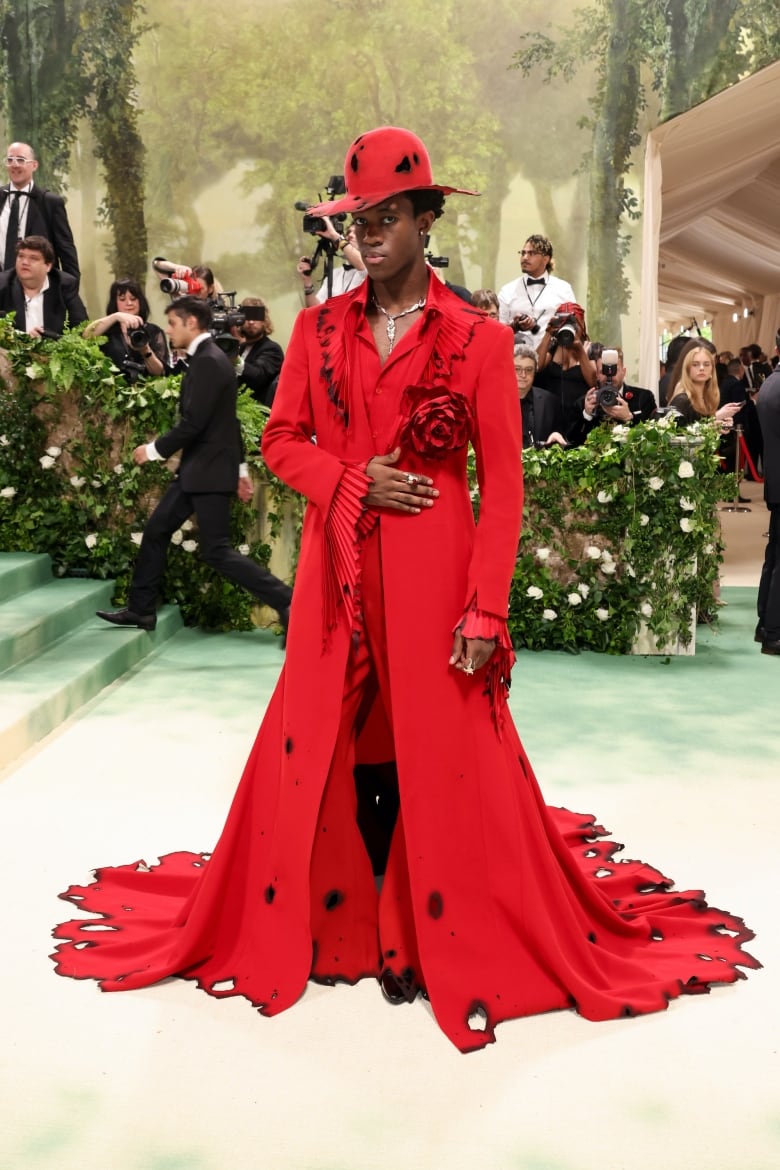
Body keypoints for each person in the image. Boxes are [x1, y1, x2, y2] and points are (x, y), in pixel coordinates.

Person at [53, 127, 757, 1054]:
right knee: (326, 736)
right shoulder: (315, 329)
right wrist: (352, 481)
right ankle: (342, 921)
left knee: (441, 746)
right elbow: (281, 443)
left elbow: (501, 485)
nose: (370, 236)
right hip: (336, 575)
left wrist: (487, 605)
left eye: (388, 218)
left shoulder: (476, 337)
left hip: (435, 576)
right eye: (357, 222)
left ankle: (427, 932)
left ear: (426, 220)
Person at [94, 296, 292, 633]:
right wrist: (241, 470)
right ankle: (141, 609)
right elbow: (226, 422)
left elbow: (194, 424)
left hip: (208, 474)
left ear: (191, 324)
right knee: (157, 532)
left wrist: (153, 450)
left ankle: (287, 601)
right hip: (199, 472)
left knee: (216, 551)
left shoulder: (209, 362)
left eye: (172, 323)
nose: (168, 330)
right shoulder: (207, 359)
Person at [0, 142, 80, 283]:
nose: (15, 164)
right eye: (10, 160)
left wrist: (68, 296)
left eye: (20, 160)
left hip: (40, 291)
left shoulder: (50, 203)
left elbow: (67, 254)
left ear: (34, 165)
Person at [566, 344, 657, 447]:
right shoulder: (584, 403)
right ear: (597, 374)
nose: (609, 375)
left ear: (623, 372)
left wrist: (629, 418)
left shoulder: (643, 398)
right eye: (603, 371)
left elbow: (653, 440)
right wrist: (586, 415)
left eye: (614, 370)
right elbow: (571, 442)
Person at [497, 234, 576, 348]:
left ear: (546, 259)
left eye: (531, 253)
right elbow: (499, 329)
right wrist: (515, 325)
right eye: (523, 253)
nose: (525, 257)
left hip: (552, 359)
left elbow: (573, 326)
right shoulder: (507, 290)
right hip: (515, 359)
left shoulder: (564, 289)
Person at [0, 235, 87, 336]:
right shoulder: (3, 284)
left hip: (52, 350)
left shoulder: (64, 285)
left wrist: (46, 338)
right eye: (21, 256)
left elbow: (81, 328)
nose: (24, 262)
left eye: (33, 258)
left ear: (48, 266)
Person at [84, 277, 168, 381]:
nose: (129, 303)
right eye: (122, 299)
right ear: (115, 302)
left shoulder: (154, 331)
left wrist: (145, 350)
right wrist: (116, 316)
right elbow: (86, 336)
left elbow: (159, 373)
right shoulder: (107, 331)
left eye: (133, 299)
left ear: (140, 301)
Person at [534, 300, 598, 434]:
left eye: (573, 323)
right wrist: (548, 333)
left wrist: (579, 350)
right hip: (551, 416)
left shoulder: (591, 350)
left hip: (581, 416)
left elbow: (593, 381)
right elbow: (536, 367)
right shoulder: (553, 347)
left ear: (582, 325)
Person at [755, 337, 780, 655]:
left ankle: (765, 625)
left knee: (774, 556)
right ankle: (774, 632)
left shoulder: (771, 382)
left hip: (776, 481)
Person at [666, 344, 743, 428]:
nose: (702, 368)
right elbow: (673, 435)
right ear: (687, 370)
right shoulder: (682, 400)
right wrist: (715, 417)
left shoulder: (707, 398)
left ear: (712, 370)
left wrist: (718, 425)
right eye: (695, 364)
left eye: (706, 364)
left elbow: (700, 429)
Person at [297, 217, 366, 307]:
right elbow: (315, 308)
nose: (350, 235)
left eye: (356, 233)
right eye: (348, 232)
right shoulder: (334, 274)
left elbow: (362, 266)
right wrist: (307, 281)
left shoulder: (372, 268)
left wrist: (335, 236)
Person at [235, 296, 284, 408]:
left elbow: (258, 376)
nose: (251, 322)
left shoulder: (272, 349)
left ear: (264, 321)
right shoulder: (240, 347)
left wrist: (235, 360)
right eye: (247, 317)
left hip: (258, 415)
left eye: (256, 317)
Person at [513, 342, 564, 447]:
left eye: (529, 370)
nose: (523, 375)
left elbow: (560, 433)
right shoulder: (494, 402)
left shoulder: (550, 401)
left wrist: (556, 436)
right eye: (517, 369)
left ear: (535, 372)